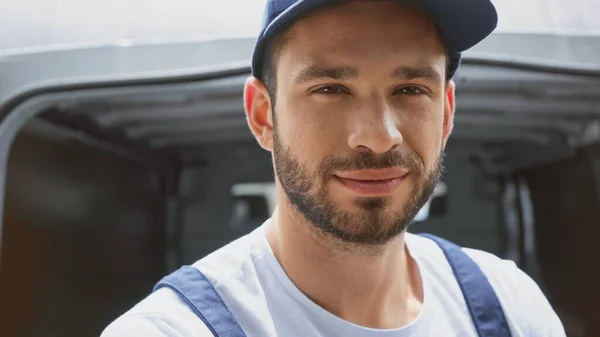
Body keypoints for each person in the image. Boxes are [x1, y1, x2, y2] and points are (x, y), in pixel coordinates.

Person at [101, 0, 566, 336]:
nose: (380, 135)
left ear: (445, 113)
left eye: (409, 89)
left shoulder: (511, 307)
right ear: (263, 115)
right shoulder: (169, 330)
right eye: (330, 89)